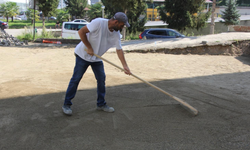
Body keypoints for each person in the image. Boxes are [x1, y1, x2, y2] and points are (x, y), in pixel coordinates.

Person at [62, 12, 132, 115]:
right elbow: (81, 32)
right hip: (83, 55)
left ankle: (101, 104)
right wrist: (89, 47)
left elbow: (119, 50)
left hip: (96, 58)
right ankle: (66, 104)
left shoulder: (116, 34)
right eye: (122, 25)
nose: (122, 27)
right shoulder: (98, 23)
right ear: (116, 22)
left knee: (101, 79)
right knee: (76, 79)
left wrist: (125, 66)